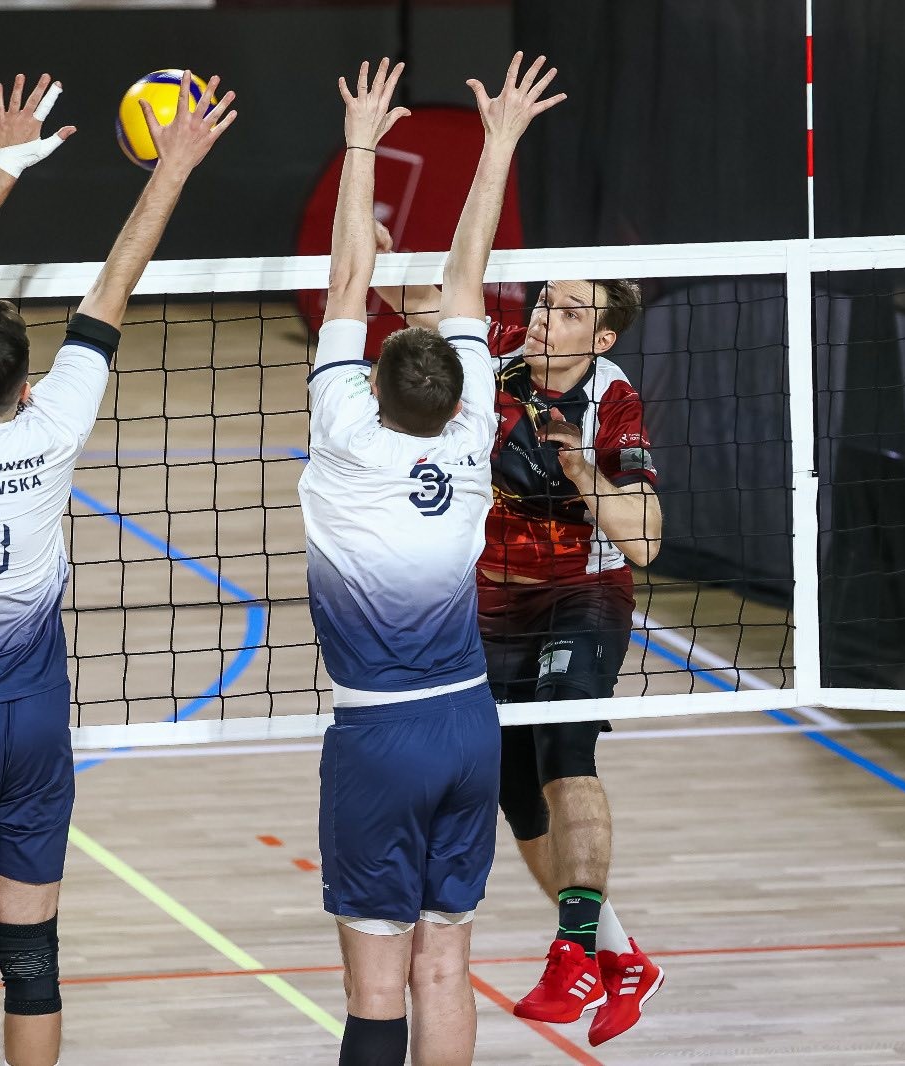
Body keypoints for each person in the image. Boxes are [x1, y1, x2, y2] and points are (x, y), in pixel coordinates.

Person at [0, 72, 234, 1066]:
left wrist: (4, 162)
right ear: (28, 387)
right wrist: (171, 170)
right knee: (32, 960)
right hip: (32, 725)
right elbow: (112, 288)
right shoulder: (53, 428)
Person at [302, 54, 562, 1066]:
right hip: (467, 726)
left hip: (380, 736)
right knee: (446, 966)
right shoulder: (473, 431)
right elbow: (464, 277)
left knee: (376, 986)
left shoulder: (346, 434)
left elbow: (346, 281)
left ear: (372, 389)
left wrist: (359, 144)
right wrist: (500, 143)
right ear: (459, 393)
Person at [375, 256, 665, 1044]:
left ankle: (572, 952)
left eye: (569, 312)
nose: (544, 317)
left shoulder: (613, 402)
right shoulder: (498, 355)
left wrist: (581, 471)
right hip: (493, 600)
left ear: (600, 339)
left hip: (581, 594)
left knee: (566, 755)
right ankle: (619, 957)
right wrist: (375, 246)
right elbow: (415, 299)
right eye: (544, 302)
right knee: (516, 795)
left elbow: (645, 542)